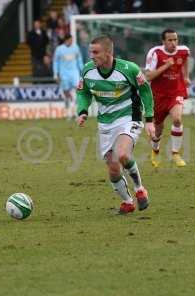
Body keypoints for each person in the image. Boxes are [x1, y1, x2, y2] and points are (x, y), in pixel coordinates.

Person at [77, 35, 155, 214]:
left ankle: (139, 189)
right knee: (113, 170)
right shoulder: (87, 71)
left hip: (129, 117)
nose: (91, 56)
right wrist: (82, 111)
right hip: (105, 123)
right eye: (90, 52)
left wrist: (149, 119)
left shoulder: (129, 69)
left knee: (122, 154)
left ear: (108, 52)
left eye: (95, 52)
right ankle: (127, 202)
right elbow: (83, 93)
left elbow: (145, 91)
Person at [145, 28, 190, 168]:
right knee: (157, 129)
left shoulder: (183, 51)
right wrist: (166, 66)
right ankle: (155, 150)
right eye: (170, 40)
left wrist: (187, 76)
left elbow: (185, 60)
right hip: (158, 95)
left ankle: (175, 153)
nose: (173, 43)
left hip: (176, 92)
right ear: (163, 41)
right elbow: (148, 76)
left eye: (175, 39)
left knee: (177, 119)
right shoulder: (155, 53)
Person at [53, 33, 84, 120]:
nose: (72, 41)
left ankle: (75, 112)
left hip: (74, 72)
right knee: (66, 93)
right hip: (64, 74)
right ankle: (68, 112)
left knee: (77, 91)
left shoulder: (75, 48)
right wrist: (56, 73)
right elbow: (55, 62)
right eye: (70, 40)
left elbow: (79, 60)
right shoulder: (59, 49)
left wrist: (83, 71)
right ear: (66, 40)